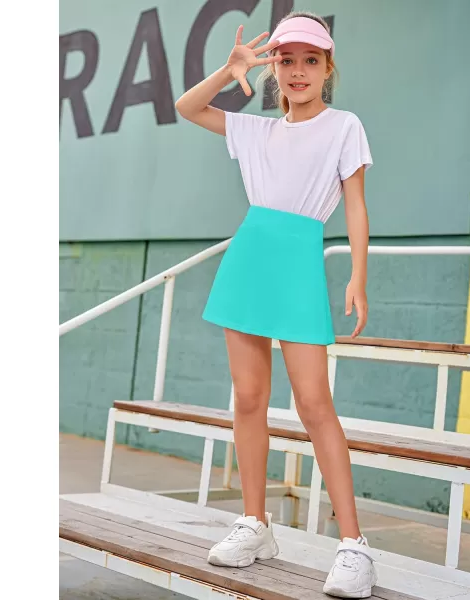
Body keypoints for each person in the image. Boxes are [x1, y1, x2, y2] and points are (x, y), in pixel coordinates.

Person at [175, 11, 376, 599]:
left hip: (298, 263)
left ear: (328, 67)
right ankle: (255, 524)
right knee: (247, 399)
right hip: (249, 260)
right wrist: (227, 70)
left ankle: (354, 546)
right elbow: (188, 107)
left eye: (310, 60)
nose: (298, 71)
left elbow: (355, 205)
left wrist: (358, 274)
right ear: (274, 69)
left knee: (314, 403)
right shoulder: (255, 131)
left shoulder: (344, 126)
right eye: (286, 60)